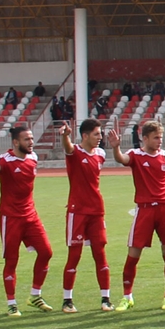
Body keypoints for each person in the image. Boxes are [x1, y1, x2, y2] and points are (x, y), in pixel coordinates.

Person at [0, 125, 53, 317]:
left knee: (46, 252)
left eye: (31, 139)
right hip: (11, 218)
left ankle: (35, 295)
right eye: (26, 139)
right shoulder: (5, 160)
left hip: (31, 216)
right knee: (12, 260)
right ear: (15, 142)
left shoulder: (33, 158)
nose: (31, 142)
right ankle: (12, 303)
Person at [107, 121, 165, 311]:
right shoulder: (136, 155)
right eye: (155, 138)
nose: (159, 141)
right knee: (133, 253)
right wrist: (116, 148)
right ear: (144, 138)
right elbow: (122, 159)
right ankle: (127, 296)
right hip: (144, 210)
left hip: (164, 209)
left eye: (160, 138)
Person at [59, 119, 114, 313]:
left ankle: (106, 298)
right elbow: (68, 147)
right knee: (74, 255)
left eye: (100, 134)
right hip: (78, 212)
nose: (100, 138)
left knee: (100, 254)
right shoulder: (74, 152)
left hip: (97, 211)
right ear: (85, 136)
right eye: (96, 134)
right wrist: (65, 135)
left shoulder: (100, 154)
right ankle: (67, 300)